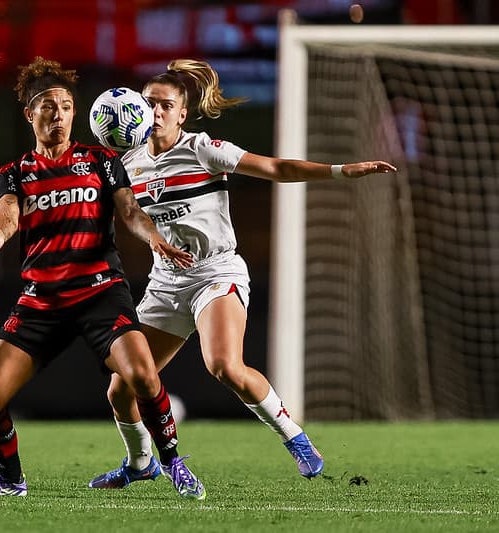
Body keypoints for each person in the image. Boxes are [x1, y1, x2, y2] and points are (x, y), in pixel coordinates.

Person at [81, 59, 398, 488]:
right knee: (121, 388)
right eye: (148, 103)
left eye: (164, 105)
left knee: (224, 366)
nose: (154, 112)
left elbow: (275, 169)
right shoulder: (128, 163)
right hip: (165, 282)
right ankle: (141, 464)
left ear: (182, 113)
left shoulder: (202, 149)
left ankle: (296, 438)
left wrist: (342, 171)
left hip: (215, 271)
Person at [0, 57, 204, 499]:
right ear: (29, 115)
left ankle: (172, 463)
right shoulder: (13, 173)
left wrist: (154, 238)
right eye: (49, 107)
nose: (58, 115)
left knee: (144, 378)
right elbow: (7, 216)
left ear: (77, 114)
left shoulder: (101, 160)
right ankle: (11, 480)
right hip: (43, 300)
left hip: (99, 294)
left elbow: (130, 211)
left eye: (67, 107)